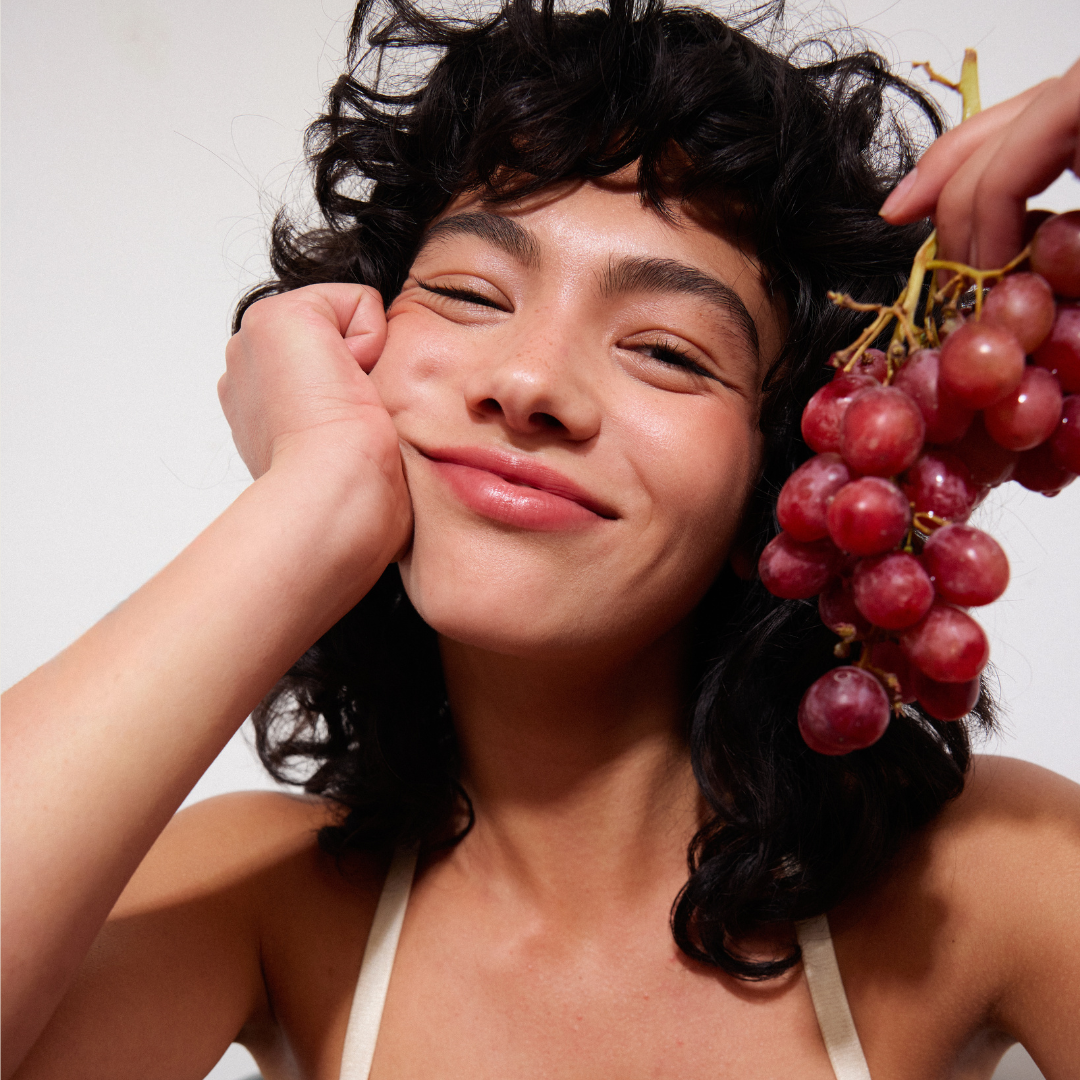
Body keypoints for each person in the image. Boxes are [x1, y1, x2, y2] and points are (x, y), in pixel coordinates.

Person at [2, 0, 1079, 1077]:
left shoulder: (989, 875)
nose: (528, 383)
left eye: (667, 351)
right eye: (469, 293)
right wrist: (313, 498)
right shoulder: (265, 898)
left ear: (783, 488)